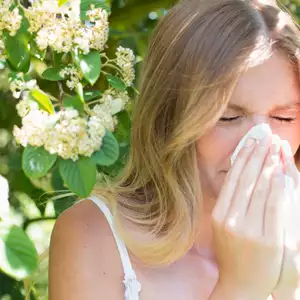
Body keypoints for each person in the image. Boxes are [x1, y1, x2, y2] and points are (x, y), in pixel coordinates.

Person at [48, 0, 300, 299]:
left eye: (284, 117)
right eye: (228, 117)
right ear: (172, 116)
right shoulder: (92, 235)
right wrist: (242, 287)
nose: (261, 142)